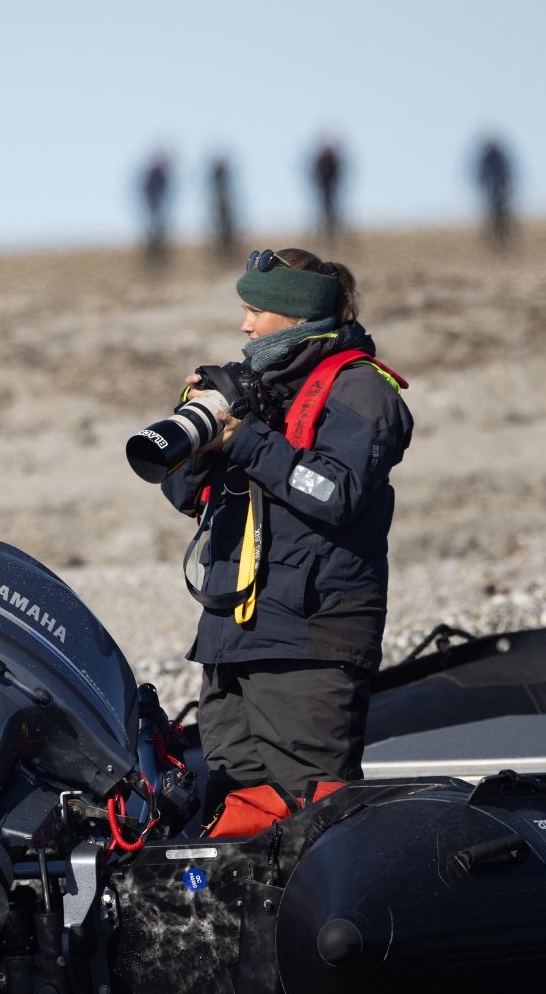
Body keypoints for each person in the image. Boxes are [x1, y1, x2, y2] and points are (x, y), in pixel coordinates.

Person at [159, 246, 413, 815]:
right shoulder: (249, 389)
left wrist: (242, 440)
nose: (244, 324)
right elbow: (181, 496)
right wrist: (198, 428)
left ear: (298, 317)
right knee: (233, 811)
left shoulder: (362, 389)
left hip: (310, 640)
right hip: (232, 635)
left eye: (255, 310)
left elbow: (336, 493)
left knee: (311, 812)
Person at [476, 137, 514, 250]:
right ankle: (494, 241)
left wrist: (506, 187)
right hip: (491, 193)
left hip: (501, 192)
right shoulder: (486, 158)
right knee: (492, 218)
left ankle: (503, 239)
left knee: (503, 216)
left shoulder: (499, 157)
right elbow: (482, 175)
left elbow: (507, 174)